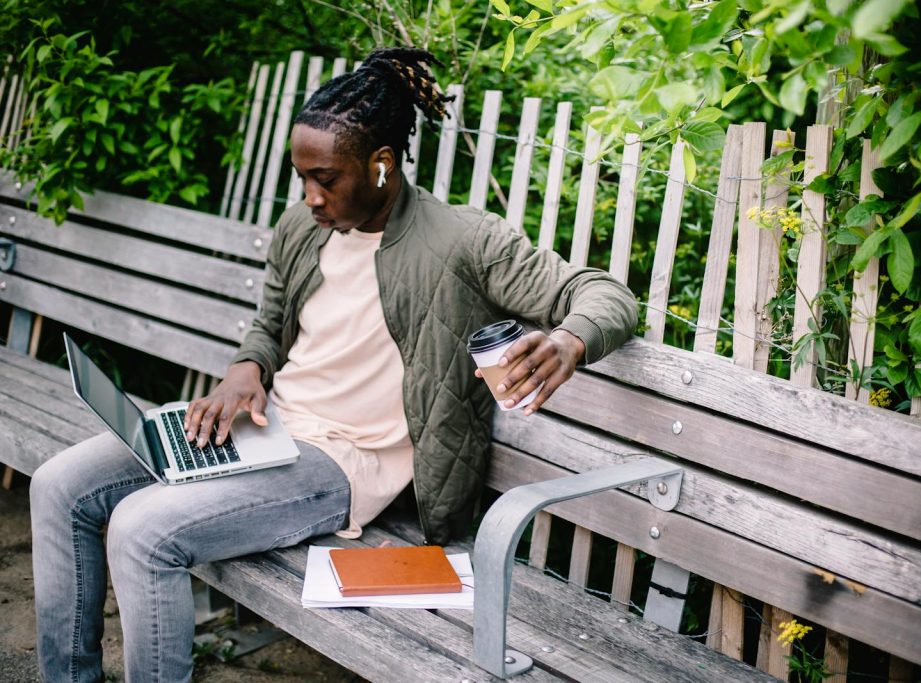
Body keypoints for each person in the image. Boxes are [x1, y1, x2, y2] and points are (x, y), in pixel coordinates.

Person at [30, 47, 636, 682]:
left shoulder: (463, 240)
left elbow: (605, 295)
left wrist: (570, 341)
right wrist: (247, 368)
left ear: (381, 165)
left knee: (143, 529)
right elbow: (269, 323)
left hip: (344, 463)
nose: (311, 196)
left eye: (326, 178)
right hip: (266, 427)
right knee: (59, 485)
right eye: (302, 179)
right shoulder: (303, 227)